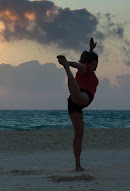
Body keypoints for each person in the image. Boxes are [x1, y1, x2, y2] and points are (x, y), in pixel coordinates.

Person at [57, 38, 99, 171]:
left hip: (73, 103)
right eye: (96, 62)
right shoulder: (86, 68)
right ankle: (67, 69)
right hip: (83, 96)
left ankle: (78, 165)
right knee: (79, 97)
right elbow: (81, 65)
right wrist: (68, 63)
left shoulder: (87, 69)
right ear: (94, 62)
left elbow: (85, 63)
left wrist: (91, 50)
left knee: (79, 134)